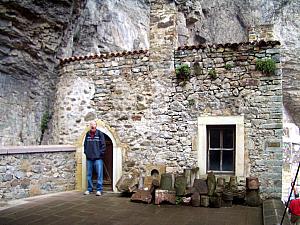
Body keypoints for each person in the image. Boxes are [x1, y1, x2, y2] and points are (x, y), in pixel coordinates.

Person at [84, 121, 106, 196]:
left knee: (99, 174)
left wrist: (100, 154)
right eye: (91, 124)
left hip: (98, 158)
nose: (92, 126)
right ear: (90, 126)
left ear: (96, 126)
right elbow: (85, 145)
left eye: (94, 124)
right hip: (89, 158)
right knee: (89, 174)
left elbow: (103, 145)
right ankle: (89, 189)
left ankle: (99, 190)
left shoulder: (100, 134)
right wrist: (86, 153)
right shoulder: (87, 134)